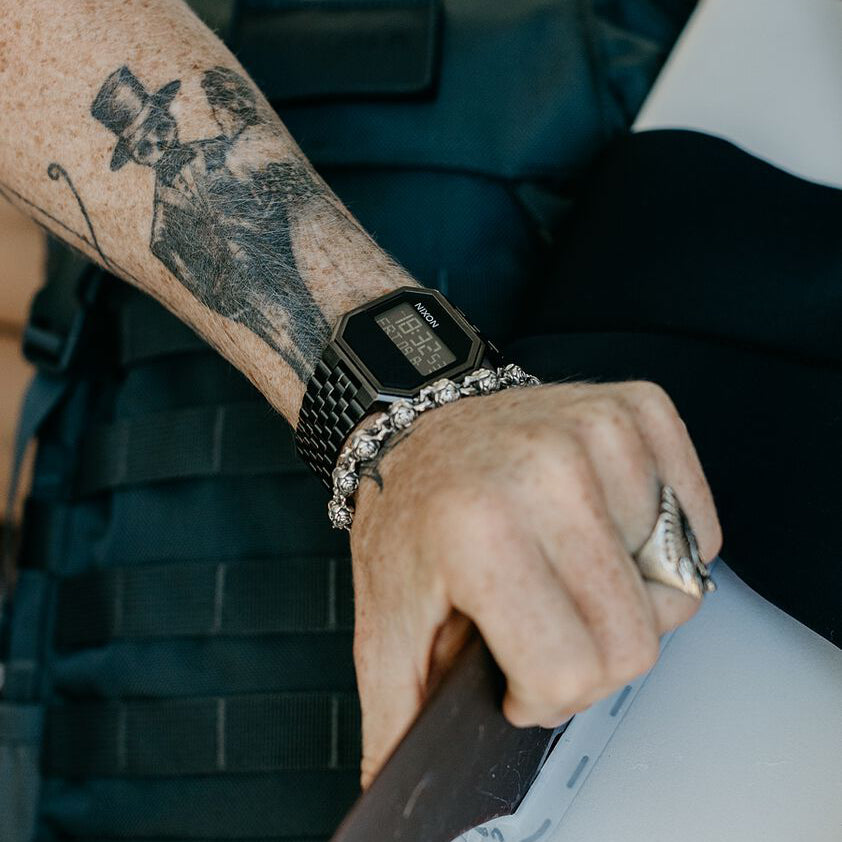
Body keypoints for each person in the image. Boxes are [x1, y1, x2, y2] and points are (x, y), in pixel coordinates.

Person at [10, 0, 822, 839]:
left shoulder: (223, 148)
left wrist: (410, 413)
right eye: (142, 138)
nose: (157, 140)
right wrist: (403, 416)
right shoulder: (161, 221)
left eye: (155, 122)